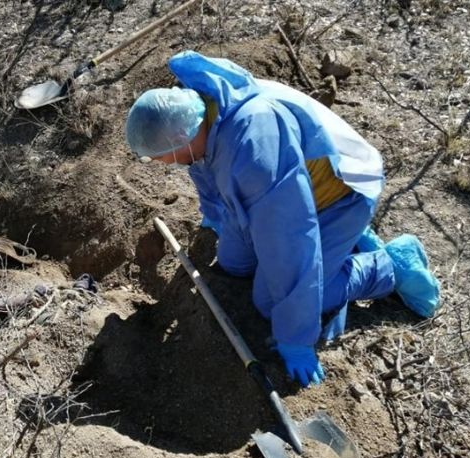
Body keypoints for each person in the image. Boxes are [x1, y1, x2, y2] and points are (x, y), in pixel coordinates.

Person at [125, 51, 440, 387]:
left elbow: (290, 239)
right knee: (233, 264)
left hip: (338, 195)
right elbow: (205, 170)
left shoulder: (255, 149)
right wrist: (215, 216)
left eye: (159, 156)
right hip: (287, 192)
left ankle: (390, 265)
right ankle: (348, 242)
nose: (160, 163)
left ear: (181, 139)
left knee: (270, 301)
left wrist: (296, 337)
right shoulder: (199, 112)